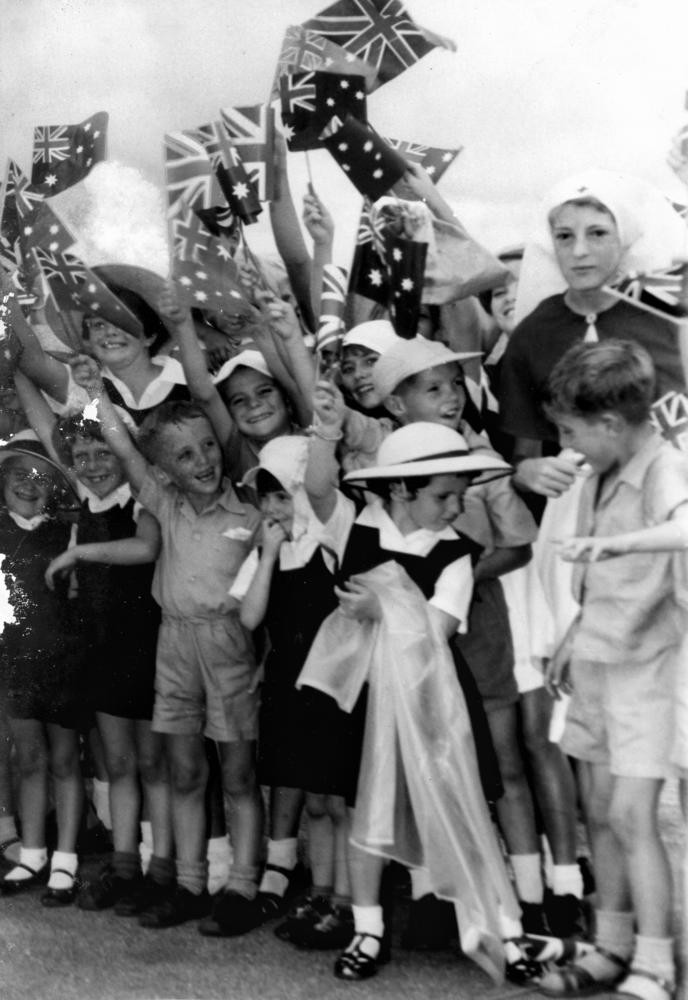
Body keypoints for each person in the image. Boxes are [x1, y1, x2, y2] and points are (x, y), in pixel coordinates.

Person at [297, 423, 529, 984]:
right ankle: (368, 929)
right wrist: (327, 430)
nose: (455, 508)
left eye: (461, 495)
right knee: (364, 809)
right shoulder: (355, 526)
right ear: (401, 489)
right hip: (364, 700)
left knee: (460, 803)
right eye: (442, 495)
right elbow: (318, 487)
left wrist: (383, 610)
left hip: (431, 700)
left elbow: (440, 628)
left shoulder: (454, 556)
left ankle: (504, 928)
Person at [369, 338, 584, 940]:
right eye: (431, 388)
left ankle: (536, 892)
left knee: (505, 761)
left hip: (482, 625)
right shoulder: (387, 468)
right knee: (429, 761)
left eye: (454, 385)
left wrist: (453, 575)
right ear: (395, 404)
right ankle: (443, 895)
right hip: (415, 635)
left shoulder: (483, 462)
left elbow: (517, 545)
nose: (449, 397)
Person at [539, 339, 688, 1000]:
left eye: (570, 431)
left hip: (648, 672)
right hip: (599, 659)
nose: (564, 443)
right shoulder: (601, 469)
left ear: (609, 425)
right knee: (598, 810)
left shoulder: (663, 466)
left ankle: (656, 964)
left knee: (634, 815)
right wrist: (574, 630)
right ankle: (613, 945)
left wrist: (609, 543)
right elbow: (611, 582)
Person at [90, 382, 264, 932]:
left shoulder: (250, 510)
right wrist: (95, 390)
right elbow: (122, 446)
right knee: (185, 770)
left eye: (209, 446)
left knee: (237, 775)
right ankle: (189, 884)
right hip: (175, 644)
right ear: (163, 470)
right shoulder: (162, 503)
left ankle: (241, 887)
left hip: (228, 644)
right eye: (185, 454)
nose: (204, 461)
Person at [229, 398, 357, 948]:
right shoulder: (269, 550)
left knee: (336, 800)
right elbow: (251, 616)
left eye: (285, 492)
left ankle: (349, 900)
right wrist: (267, 551)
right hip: (288, 686)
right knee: (310, 793)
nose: (275, 506)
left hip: (334, 686)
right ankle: (322, 892)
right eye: (266, 496)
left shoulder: (331, 540)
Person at [38, 408, 173, 918]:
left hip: (149, 643)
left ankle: (161, 868)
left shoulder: (142, 500)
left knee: (154, 763)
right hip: (104, 648)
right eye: (81, 457)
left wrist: (79, 557)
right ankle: (125, 865)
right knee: (118, 763)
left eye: (103, 453)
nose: (93, 465)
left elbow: (145, 549)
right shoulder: (85, 509)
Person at [0, 431, 84, 906]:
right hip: (15, 661)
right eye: (18, 475)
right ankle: (32, 852)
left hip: (62, 659)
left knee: (65, 758)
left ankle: (66, 860)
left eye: (39, 477)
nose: (29, 485)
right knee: (28, 757)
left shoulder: (65, 531)